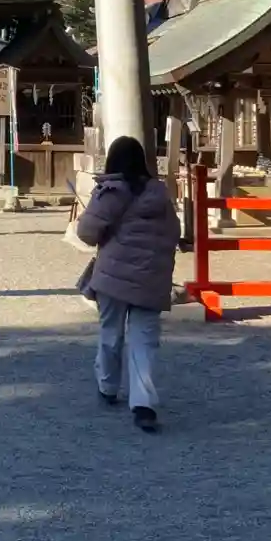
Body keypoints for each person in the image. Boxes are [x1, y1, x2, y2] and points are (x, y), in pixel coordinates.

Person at [76, 135, 182, 433]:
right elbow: (174, 232)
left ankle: (108, 386)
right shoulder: (160, 194)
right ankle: (143, 404)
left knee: (111, 333)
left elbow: (87, 233)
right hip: (151, 279)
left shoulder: (111, 191)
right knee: (144, 341)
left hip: (113, 278)